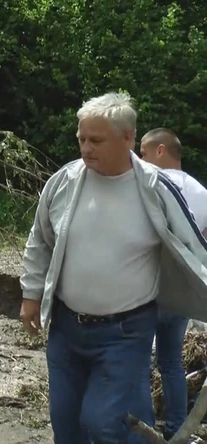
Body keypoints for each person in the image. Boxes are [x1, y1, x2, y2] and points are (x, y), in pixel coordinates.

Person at [20, 92, 207, 443]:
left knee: (103, 420)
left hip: (126, 333)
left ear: (128, 138)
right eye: (81, 139)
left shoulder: (156, 188)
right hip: (65, 329)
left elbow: (195, 251)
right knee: (67, 425)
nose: (86, 148)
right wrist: (31, 293)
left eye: (96, 140)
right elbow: (40, 239)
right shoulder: (64, 182)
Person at [139, 127, 207, 439]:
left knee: (138, 361)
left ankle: (141, 424)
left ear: (161, 151)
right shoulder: (201, 191)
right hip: (181, 295)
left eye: (144, 152)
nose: (141, 159)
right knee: (171, 363)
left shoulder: (150, 184)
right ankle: (178, 426)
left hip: (149, 288)